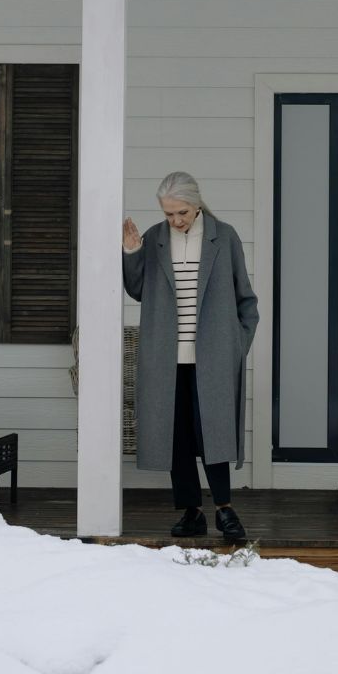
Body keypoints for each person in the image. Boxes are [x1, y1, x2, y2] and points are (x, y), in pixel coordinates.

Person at [122, 171, 259, 541]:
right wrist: (132, 252)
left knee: (211, 432)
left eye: (181, 213)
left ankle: (225, 510)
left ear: (196, 204)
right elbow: (137, 290)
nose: (175, 221)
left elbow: (247, 300)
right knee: (177, 435)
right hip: (166, 357)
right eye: (168, 214)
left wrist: (236, 346)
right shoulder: (154, 239)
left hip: (212, 356)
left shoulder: (223, 236)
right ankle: (191, 511)